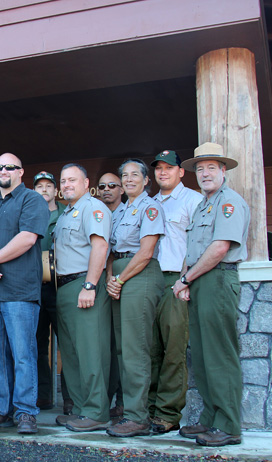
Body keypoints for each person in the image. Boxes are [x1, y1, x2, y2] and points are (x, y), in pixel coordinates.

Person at [173, 142, 249, 447]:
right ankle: (210, 419)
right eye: (200, 169)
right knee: (203, 357)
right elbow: (194, 249)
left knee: (220, 356)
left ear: (223, 170)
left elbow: (219, 248)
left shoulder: (229, 203)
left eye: (211, 168)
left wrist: (186, 278)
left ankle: (229, 425)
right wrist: (185, 279)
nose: (204, 174)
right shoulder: (205, 204)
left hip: (217, 282)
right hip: (200, 282)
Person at [0, 153, 48, 434]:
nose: (3, 170)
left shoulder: (32, 200)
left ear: (20, 172)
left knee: (23, 354)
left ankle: (25, 412)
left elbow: (27, 238)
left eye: (9, 167)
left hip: (19, 291)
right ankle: (0, 409)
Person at [105, 159, 165, 437]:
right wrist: (109, 277)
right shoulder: (119, 211)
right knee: (121, 349)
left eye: (134, 175)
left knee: (135, 349)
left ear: (146, 180)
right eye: (124, 175)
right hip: (119, 275)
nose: (128, 179)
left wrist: (119, 279)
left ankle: (138, 417)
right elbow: (110, 250)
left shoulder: (150, 207)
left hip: (138, 276)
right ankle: (130, 411)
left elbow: (145, 252)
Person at [52, 164, 113, 432]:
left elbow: (100, 245)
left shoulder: (92, 208)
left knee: (91, 351)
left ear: (86, 183)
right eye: (63, 181)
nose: (66, 185)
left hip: (83, 284)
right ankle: (79, 409)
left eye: (72, 180)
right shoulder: (67, 212)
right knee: (72, 354)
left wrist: (90, 284)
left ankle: (96, 411)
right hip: (64, 287)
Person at [148, 150, 202, 434]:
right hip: (148, 280)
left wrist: (185, 279)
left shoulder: (193, 200)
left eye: (169, 168)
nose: (163, 172)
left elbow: (196, 244)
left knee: (173, 350)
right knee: (150, 350)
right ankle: (148, 409)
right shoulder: (149, 203)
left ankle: (167, 414)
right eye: (158, 168)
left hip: (175, 280)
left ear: (181, 172)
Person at [32, 170, 71, 413]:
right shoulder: (28, 215)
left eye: (48, 186)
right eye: (39, 186)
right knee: (36, 344)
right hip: (35, 287)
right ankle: (43, 395)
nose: (44, 190)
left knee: (67, 344)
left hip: (61, 286)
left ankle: (70, 398)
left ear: (55, 190)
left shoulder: (66, 213)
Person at [97, 172, 125, 419]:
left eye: (112, 186)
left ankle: (124, 401)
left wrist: (113, 277)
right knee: (105, 344)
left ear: (122, 189)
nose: (107, 189)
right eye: (102, 186)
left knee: (124, 346)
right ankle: (104, 401)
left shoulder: (128, 213)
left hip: (125, 282)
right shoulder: (96, 212)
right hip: (102, 284)